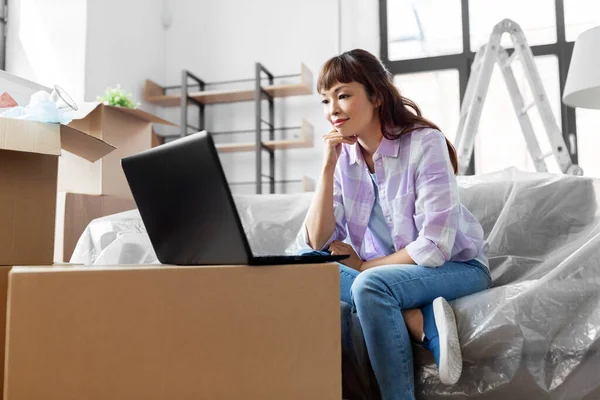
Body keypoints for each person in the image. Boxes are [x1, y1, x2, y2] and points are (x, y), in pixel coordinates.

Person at [299, 49, 491, 400]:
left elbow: (435, 245)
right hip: (394, 276)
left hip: (456, 266)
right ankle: (416, 318)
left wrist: (365, 267)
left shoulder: (424, 143)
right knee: (304, 265)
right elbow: (314, 243)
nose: (333, 110)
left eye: (343, 95)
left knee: (368, 286)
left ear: (376, 95)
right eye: (326, 100)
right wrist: (327, 166)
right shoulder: (346, 158)